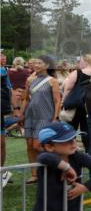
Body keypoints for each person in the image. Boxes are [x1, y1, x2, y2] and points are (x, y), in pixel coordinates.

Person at [22, 56, 62, 184]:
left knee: (38, 145)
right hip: (30, 116)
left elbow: (57, 101)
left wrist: (56, 117)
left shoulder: (52, 81)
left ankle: (56, 166)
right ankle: (35, 175)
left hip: (45, 117)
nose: (36, 65)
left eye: (39, 63)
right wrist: (21, 114)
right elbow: (26, 98)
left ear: (47, 65)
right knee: (29, 146)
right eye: (35, 63)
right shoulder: (30, 80)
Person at [61, 54, 91, 150]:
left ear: (86, 61)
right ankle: (89, 151)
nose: (78, 63)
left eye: (80, 61)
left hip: (75, 105)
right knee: (87, 129)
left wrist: (64, 101)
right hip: (89, 105)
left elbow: (68, 89)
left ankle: (69, 149)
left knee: (71, 128)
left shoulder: (77, 73)